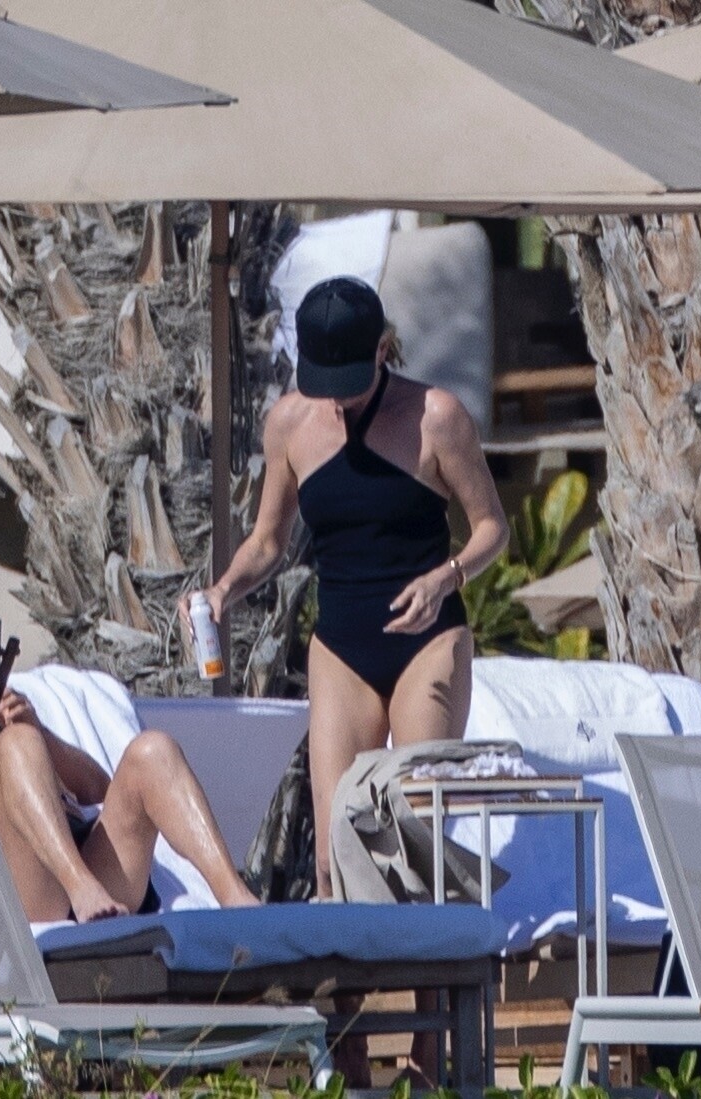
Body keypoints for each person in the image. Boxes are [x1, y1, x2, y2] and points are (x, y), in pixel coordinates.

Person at [180, 275, 509, 1083]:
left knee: (412, 840)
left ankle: (430, 1051)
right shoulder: (291, 422)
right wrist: (223, 589)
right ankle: (350, 1052)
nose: (337, 399)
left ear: (384, 350)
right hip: (343, 645)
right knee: (335, 853)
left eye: (350, 381)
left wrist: (446, 575)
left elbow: (491, 528)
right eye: (323, 382)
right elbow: (268, 540)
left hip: (427, 638)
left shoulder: (435, 415)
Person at [0, 688, 259, 924]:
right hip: (33, 894)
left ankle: (234, 895)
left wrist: (39, 731)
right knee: (15, 742)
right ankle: (81, 887)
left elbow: (98, 789)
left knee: (153, 750)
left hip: (99, 876)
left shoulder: (3, 723)